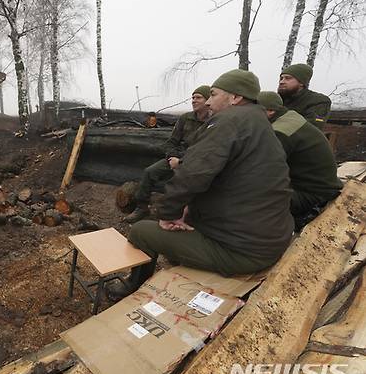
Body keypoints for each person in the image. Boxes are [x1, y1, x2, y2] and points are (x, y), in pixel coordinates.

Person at [107, 70, 293, 300]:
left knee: (142, 231)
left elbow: (192, 174)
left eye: (213, 95)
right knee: (184, 217)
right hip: (268, 236)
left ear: (234, 98)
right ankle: (180, 262)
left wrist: (168, 213)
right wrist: (188, 209)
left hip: (241, 251)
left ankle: (132, 289)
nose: (207, 101)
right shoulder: (258, 123)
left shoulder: (228, 121)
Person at [124, 86, 211, 223]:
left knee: (188, 184)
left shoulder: (213, 122)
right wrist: (172, 158)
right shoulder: (185, 118)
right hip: (176, 157)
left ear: (208, 100)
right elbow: (171, 142)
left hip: (197, 163)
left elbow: (206, 150)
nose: (194, 100)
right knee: (150, 172)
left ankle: (186, 216)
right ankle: (142, 207)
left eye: (198, 97)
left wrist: (181, 162)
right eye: (193, 97)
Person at [258, 91, 343, 230]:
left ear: (270, 111)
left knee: (249, 197)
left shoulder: (280, 132)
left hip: (312, 196)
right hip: (321, 188)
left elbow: (259, 170)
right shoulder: (289, 117)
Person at [278, 63, 331, 130]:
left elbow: (310, 127)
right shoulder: (276, 100)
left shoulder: (318, 101)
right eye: (281, 78)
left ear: (301, 82)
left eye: (288, 78)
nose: (282, 82)